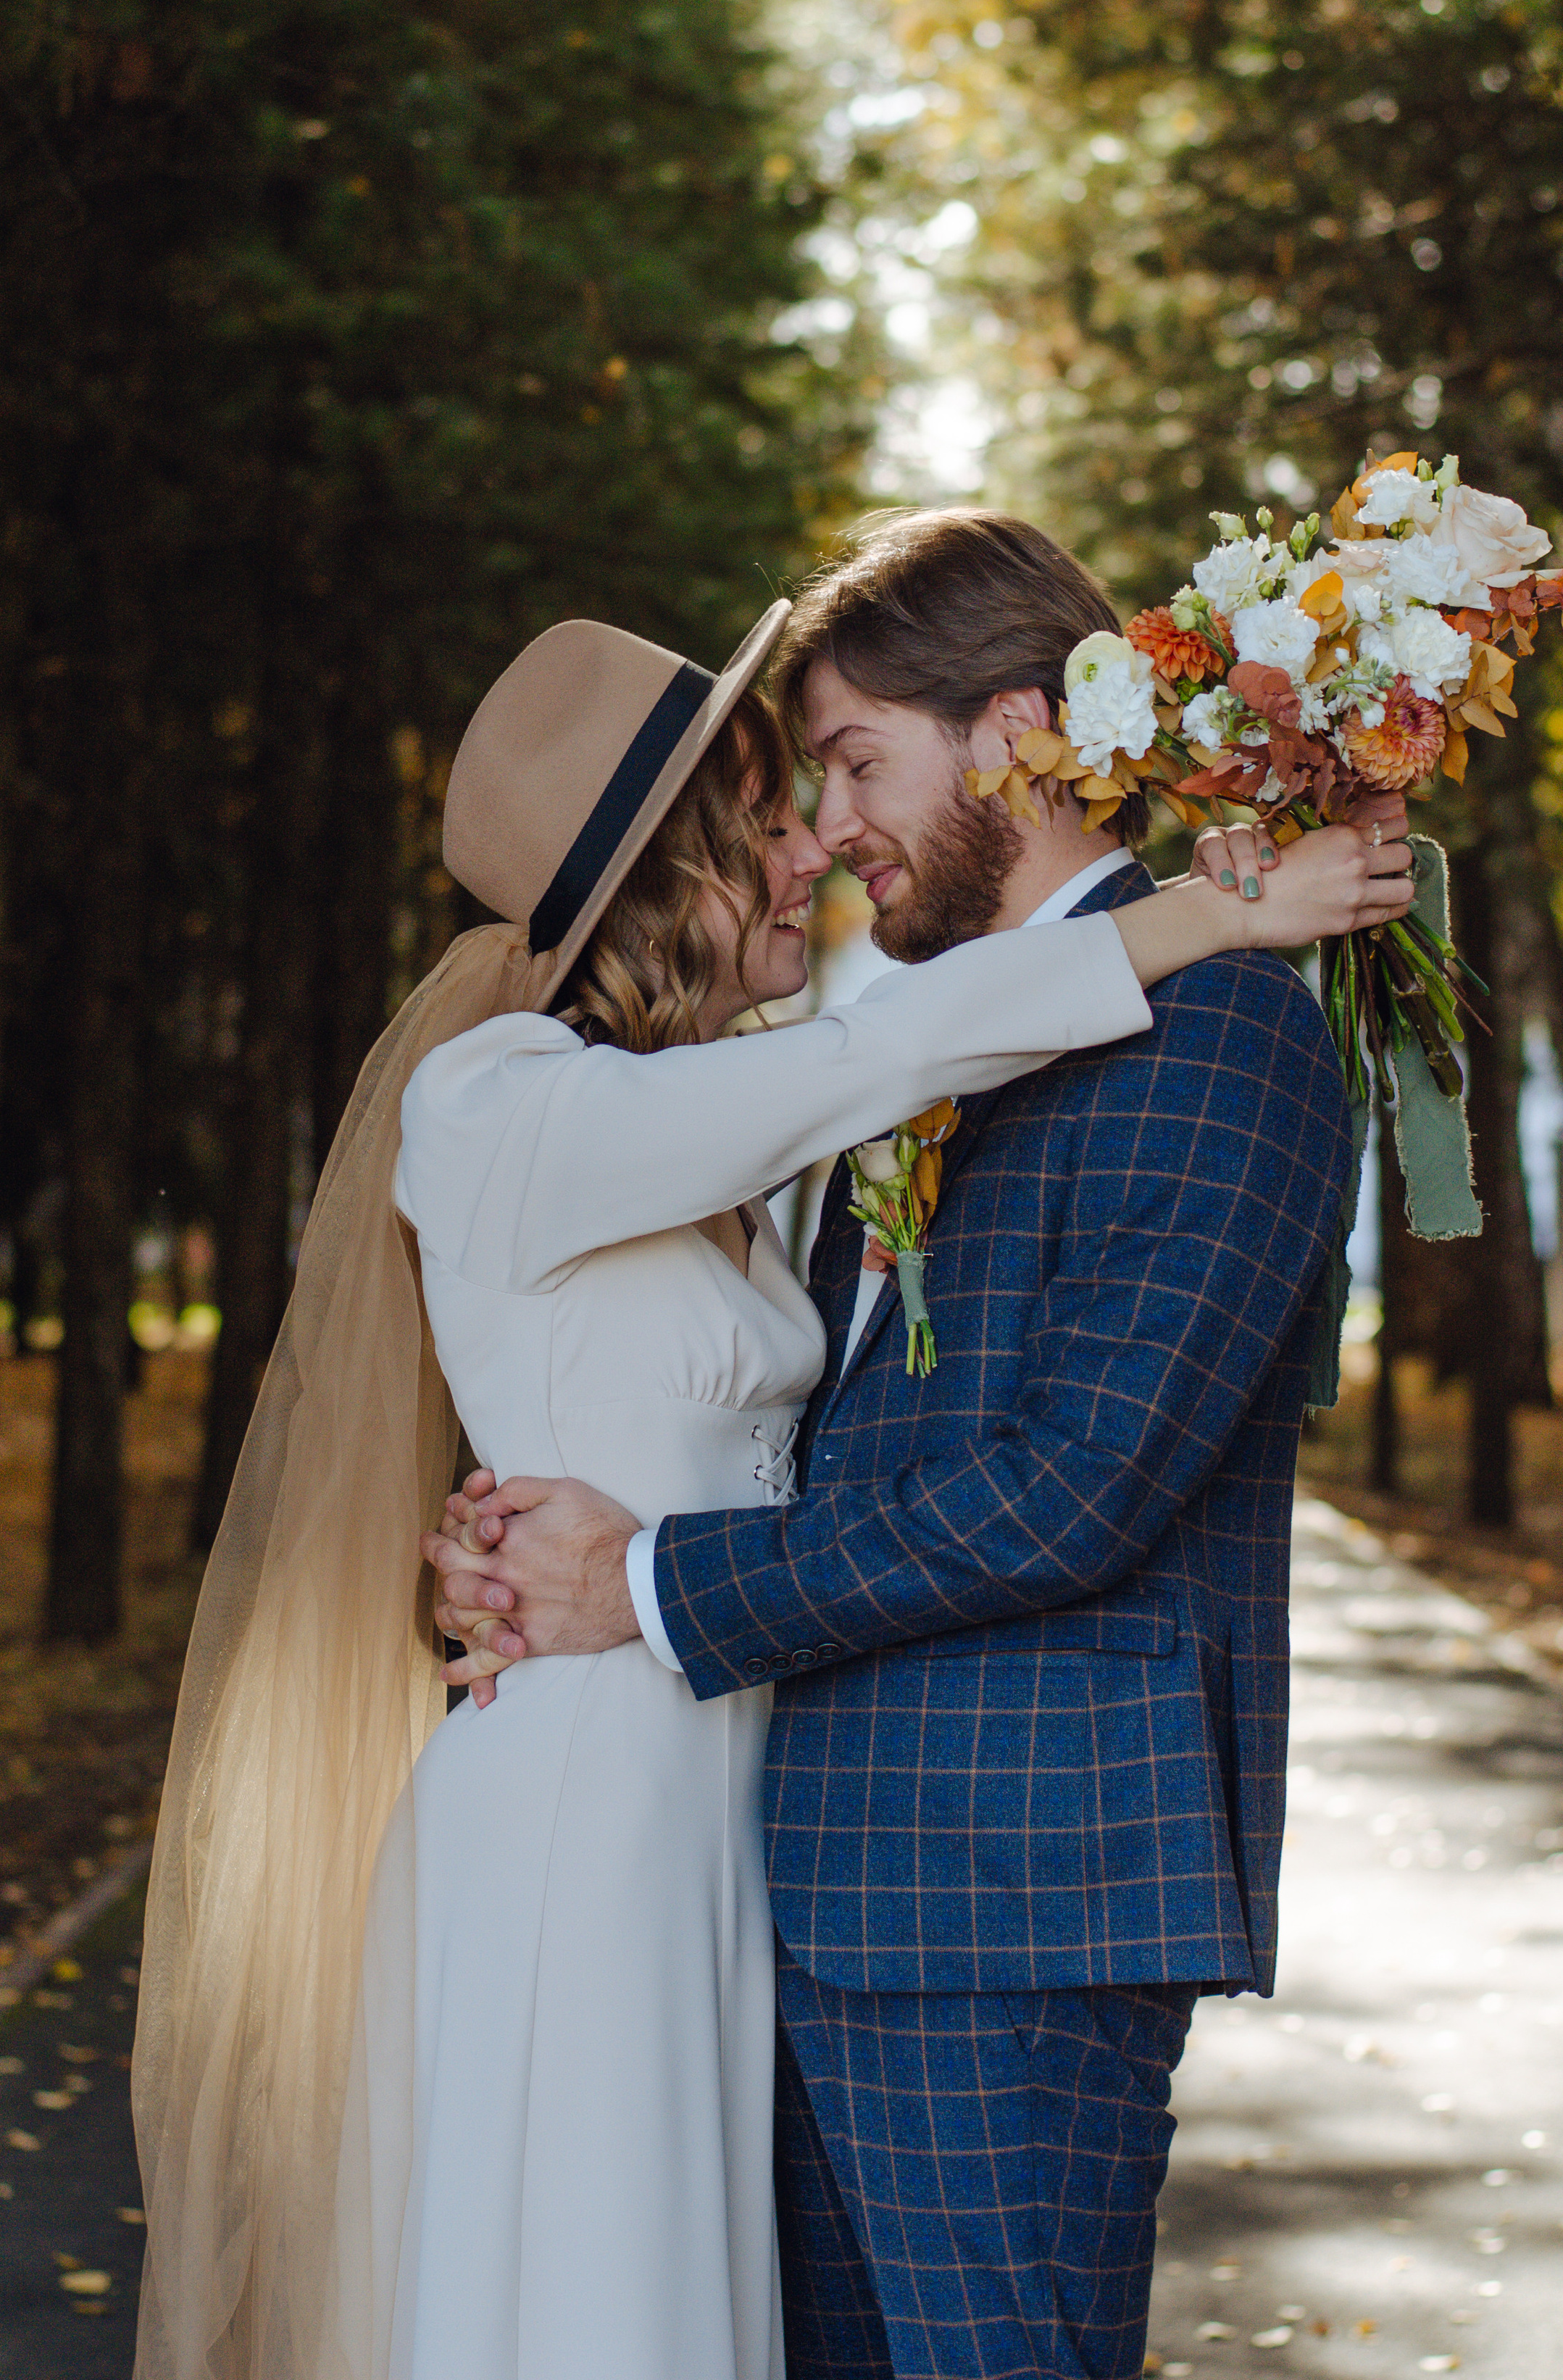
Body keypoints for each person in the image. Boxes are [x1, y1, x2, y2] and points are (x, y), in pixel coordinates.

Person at [132, 567, 1409, 2380]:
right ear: (663, 874)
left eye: (844, 767)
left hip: (945, 1872)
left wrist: (626, 1567)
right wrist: (543, 1547)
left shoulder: (1159, 1046)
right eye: (779, 800)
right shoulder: (541, 1099)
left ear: (1014, 731)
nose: (815, 838)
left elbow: (1068, 1488)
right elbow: (850, 1142)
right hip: (661, 1818)